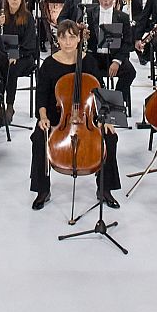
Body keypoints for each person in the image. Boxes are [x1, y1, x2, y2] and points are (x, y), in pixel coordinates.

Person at [31, 19, 122, 210]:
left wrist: (107, 119)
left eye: (72, 37)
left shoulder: (89, 61)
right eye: (63, 37)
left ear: (79, 39)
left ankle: (105, 189)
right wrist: (43, 117)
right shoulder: (48, 64)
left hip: (87, 116)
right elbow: (41, 95)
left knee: (110, 137)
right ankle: (42, 190)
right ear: (57, 39)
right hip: (57, 117)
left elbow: (101, 91)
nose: (68, 42)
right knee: (39, 138)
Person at [0, 0, 39, 122]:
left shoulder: (27, 17)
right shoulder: (0, 15)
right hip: (4, 56)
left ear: (22, 0)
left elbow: (30, 42)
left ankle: (9, 105)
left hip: (24, 56)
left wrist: (15, 55)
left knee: (12, 69)